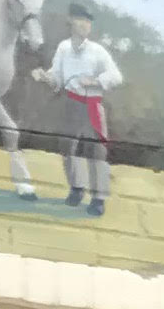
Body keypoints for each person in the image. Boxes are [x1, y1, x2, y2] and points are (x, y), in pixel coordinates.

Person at [43, 11, 121, 216]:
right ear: (71, 23)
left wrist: (95, 81)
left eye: (88, 23)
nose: (85, 26)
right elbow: (57, 77)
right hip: (72, 103)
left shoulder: (97, 51)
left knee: (97, 152)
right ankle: (77, 189)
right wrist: (45, 77)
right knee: (68, 148)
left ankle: (98, 199)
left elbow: (115, 76)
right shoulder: (64, 48)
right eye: (81, 22)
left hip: (93, 105)